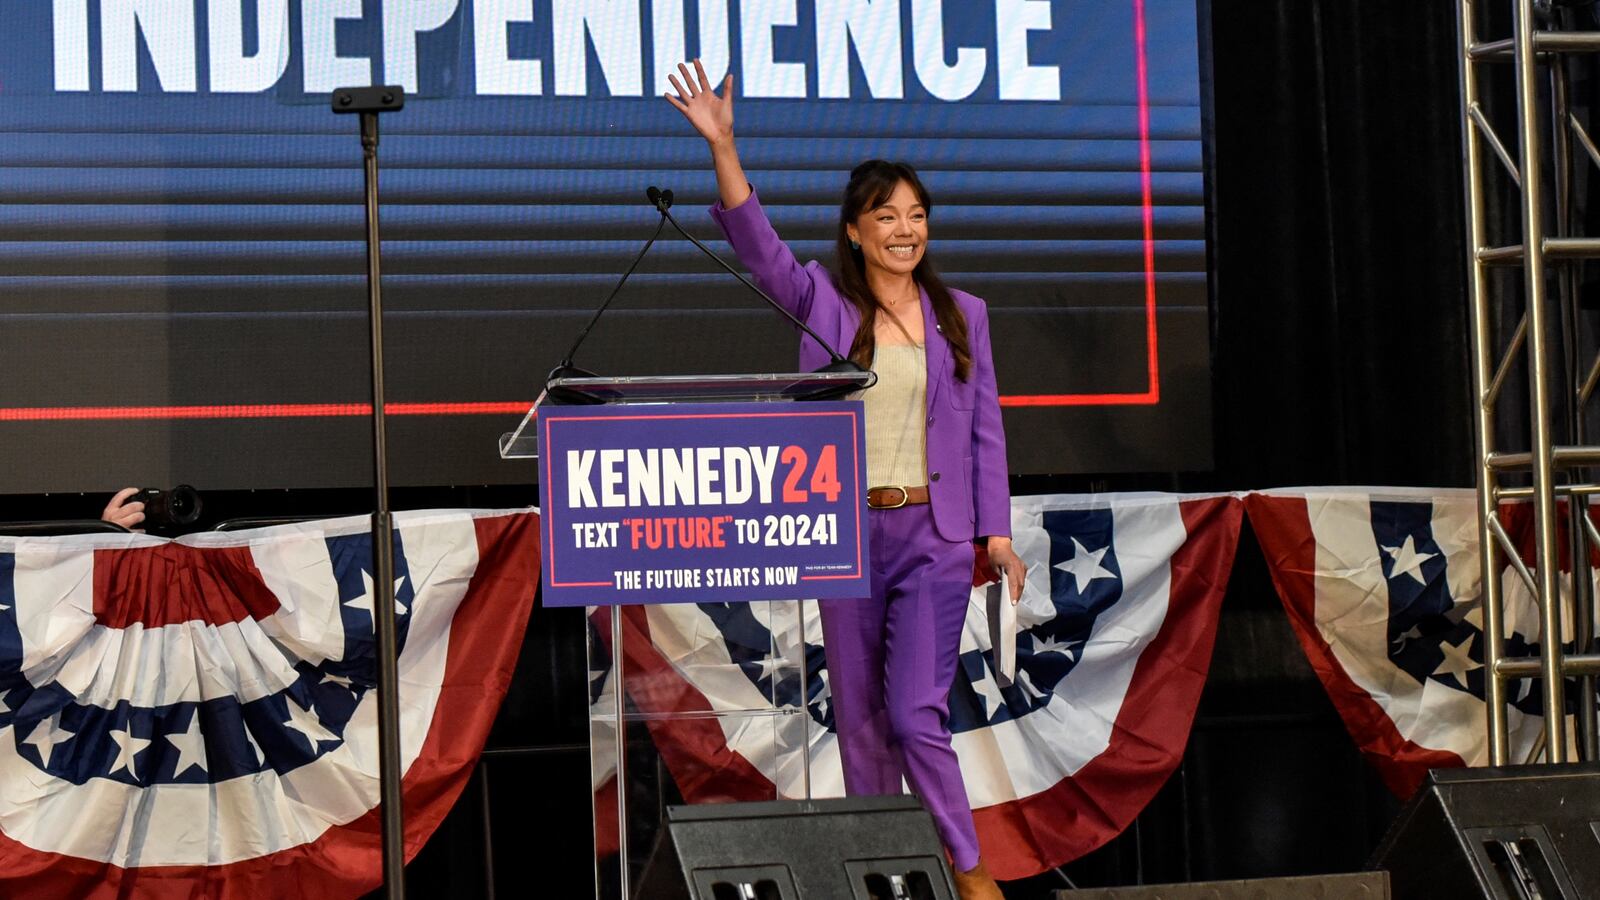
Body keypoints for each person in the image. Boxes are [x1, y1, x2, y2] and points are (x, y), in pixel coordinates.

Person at [666, 60, 1026, 900]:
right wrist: (724, 145)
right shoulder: (823, 299)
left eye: (917, 215)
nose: (906, 229)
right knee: (863, 726)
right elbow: (756, 243)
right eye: (886, 216)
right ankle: (888, 880)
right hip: (845, 534)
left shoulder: (961, 314)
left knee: (914, 717)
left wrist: (996, 533)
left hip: (934, 538)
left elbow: (984, 430)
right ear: (856, 231)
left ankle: (970, 875)